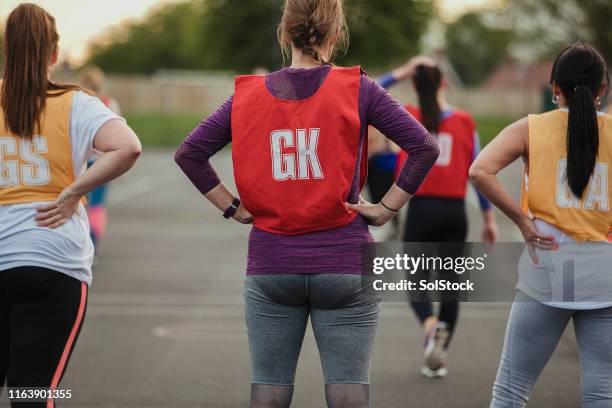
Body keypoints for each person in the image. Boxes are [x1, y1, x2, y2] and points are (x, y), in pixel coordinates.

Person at [175, 0, 439, 405]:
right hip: (344, 259)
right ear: (336, 35)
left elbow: (190, 153)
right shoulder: (359, 88)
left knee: (269, 392)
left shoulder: (246, 97)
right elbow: (423, 146)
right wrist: (386, 208)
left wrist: (233, 207)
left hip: (271, 261)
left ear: (285, 34)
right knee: (349, 394)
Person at [0, 4, 141, 407]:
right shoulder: (77, 102)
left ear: (8, 49)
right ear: (54, 53)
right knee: (34, 394)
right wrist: (73, 191)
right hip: (52, 262)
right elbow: (128, 147)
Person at [470, 42, 612, 407]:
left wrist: (522, 220)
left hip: (548, 266)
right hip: (604, 273)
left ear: (554, 88)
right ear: (602, 88)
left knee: (510, 391)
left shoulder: (529, 128)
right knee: (601, 392)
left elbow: (480, 170)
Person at [378, 56, 499, 378]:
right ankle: (439, 354)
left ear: (415, 86)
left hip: (420, 209)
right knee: (450, 285)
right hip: (454, 211)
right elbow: (479, 172)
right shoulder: (465, 121)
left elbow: (369, 92)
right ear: (444, 83)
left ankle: (430, 327)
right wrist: (488, 217)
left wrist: (401, 71)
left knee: (416, 281)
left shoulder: (407, 117)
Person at [80, 66, 123, 249]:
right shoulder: (109, 103)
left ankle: (81, 244)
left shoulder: (77, 103)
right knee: (97, 206)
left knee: (78, 205)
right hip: (102, 163)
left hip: (80, 162)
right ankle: (93, 244)